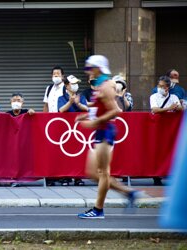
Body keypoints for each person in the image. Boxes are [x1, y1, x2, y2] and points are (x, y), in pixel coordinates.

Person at [76, 55, 141, 219]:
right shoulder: (99, 85)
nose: (87, 71)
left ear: (98, 68)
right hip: (100, 131)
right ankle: (128, 193)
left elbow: (115, 111)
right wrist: (86, 116)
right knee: (92, 172)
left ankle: (98, 210)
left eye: (90, 67)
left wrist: (96, 121)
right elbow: (100, 108)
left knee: (103, 173)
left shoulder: (106, 86)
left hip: (106, 131)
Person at [57, 75, 88, 186]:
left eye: (76, 83)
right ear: (66, 85)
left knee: (79, 153)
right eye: (72, 83)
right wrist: (70, 102)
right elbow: (61, 110)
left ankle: (78, 177)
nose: (75, 86)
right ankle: (66, 176)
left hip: (79, 129)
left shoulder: (81, 96)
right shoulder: (61, 98)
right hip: (66, 129)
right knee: (66, 153)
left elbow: (87, 108)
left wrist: (78, 103)